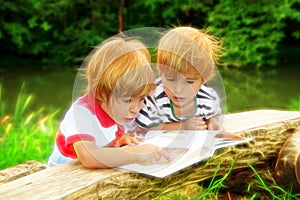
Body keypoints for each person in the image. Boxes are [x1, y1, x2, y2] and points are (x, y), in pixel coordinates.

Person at [48, 36, 170, 168]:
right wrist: (134, 154)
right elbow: (88, 157)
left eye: (141, 99)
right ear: (100, 92)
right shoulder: (81, 113)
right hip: (63, 179)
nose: (136, 109)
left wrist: (119, 139)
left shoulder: (114, 110)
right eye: (128, 100)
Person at [135, 26, 227, 133]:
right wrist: (181, 126)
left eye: (189, 82)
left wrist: (211, 122)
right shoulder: (152, 98)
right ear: (160, 71)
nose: (178, 90)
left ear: (204, 79)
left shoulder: (207, 98)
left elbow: (214, 116)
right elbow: (142, 128)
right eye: (171, 79)